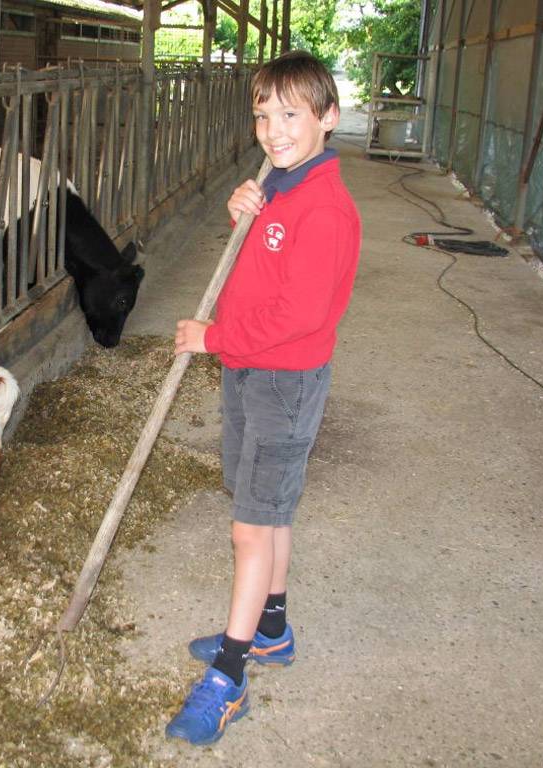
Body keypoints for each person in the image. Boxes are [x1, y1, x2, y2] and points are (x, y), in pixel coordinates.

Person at [165, 50, 361, 746]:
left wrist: (213, 338)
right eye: (263, 115)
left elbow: (301, 314)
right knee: (266, 509)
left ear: (328, 118)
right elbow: (261, 271)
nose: (273, 129)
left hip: (283, 378)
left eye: (291, 114)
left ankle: (230, 675)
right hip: (251, 370)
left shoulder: (326, 208)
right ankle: (272, 629)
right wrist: (242, 212)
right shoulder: (279, 184)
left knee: (251, 525)